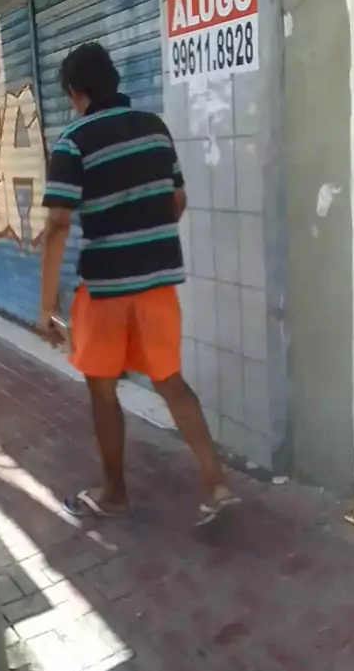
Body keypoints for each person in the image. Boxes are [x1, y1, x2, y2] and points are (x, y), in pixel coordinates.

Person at [40, 42, 239, 526]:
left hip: (104, 290)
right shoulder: (154, 128)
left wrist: (46, 306)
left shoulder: (72, 142)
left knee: (103, 391)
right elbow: (178, 199)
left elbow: (59, 223)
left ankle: (114, 494)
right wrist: (148, 235)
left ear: (75, 92)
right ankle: (216, 485)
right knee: (170, 381)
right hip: (157, 286)